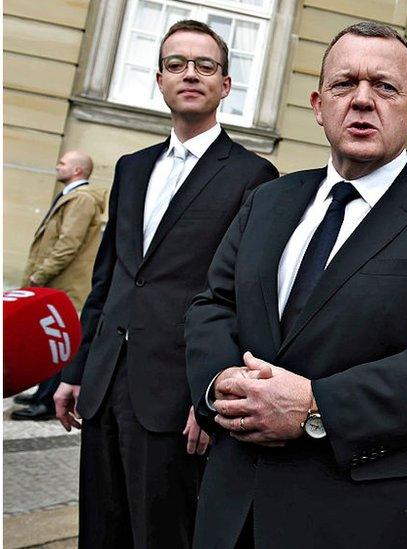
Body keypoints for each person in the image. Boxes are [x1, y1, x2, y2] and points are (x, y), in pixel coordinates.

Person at [184, 21, 407, 549]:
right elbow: (212, 303)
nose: (361, 101)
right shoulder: (269, 201)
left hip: (360, 514)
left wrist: (316, 406)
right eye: (343, 84)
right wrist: (218, 382)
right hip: (234, 503)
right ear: (317, 104)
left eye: (384, 86)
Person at [53, 20, 278, 549]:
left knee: (163, 535)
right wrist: (77, 368)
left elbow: (246, 303)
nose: (190, 74)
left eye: (206, 65)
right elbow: (108, 280)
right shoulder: (131, 169)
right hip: (107, 383)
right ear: (159, 79)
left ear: (225, 85)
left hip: (178, 395)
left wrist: (211, 398)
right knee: (101, 531)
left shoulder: (254, 177)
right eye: (176, 64)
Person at [12, 151, 104, 421]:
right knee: (46, 338)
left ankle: (46, 403)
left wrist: (39, 275)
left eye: (62, 163)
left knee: (58, 341)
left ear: (77, 170)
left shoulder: (82, 200)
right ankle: (41, 392)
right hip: (54, 284)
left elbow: (67, 244)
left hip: (63, 285)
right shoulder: (70, 196)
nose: (57, 166)